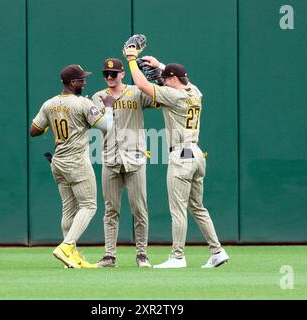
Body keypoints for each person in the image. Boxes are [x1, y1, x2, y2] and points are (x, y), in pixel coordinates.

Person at [122, 47, 229, 268]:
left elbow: (142, 85)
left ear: (172, 79)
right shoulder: (194, 91)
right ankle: (217, 251)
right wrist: (160, 65)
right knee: (198, 207)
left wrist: (132, 59)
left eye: (164, 78)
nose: (161, 80)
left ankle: (177, 256)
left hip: (181, 155)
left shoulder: (173, 95)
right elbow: (174, 78)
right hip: (198, 155)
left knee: (178, 209)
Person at [30, 64, 115, 269]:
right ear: (71, 83)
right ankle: (67, 246)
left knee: (69, 209)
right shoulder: (82, 104)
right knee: (89, 206)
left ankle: (71, 257)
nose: (84, 82)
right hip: (76, 162)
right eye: (81, 79)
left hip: (58, 162)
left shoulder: (49, 103)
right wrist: (110, 105)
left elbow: (34, 131)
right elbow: (107, 126)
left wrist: (55, 122)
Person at [92, 58, 156, 268]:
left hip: (134, 158)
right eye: (106, 74)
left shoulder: (136, 92)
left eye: (113, 73)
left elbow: (160, 96)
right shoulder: (99, 96)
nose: (109, 77)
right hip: (110, 158)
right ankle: (109, 256)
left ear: (122, 74)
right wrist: (107, 109)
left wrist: (157, 71)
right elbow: (100, 127)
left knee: (139, 209)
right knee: (111, 210)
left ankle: (142, 255)